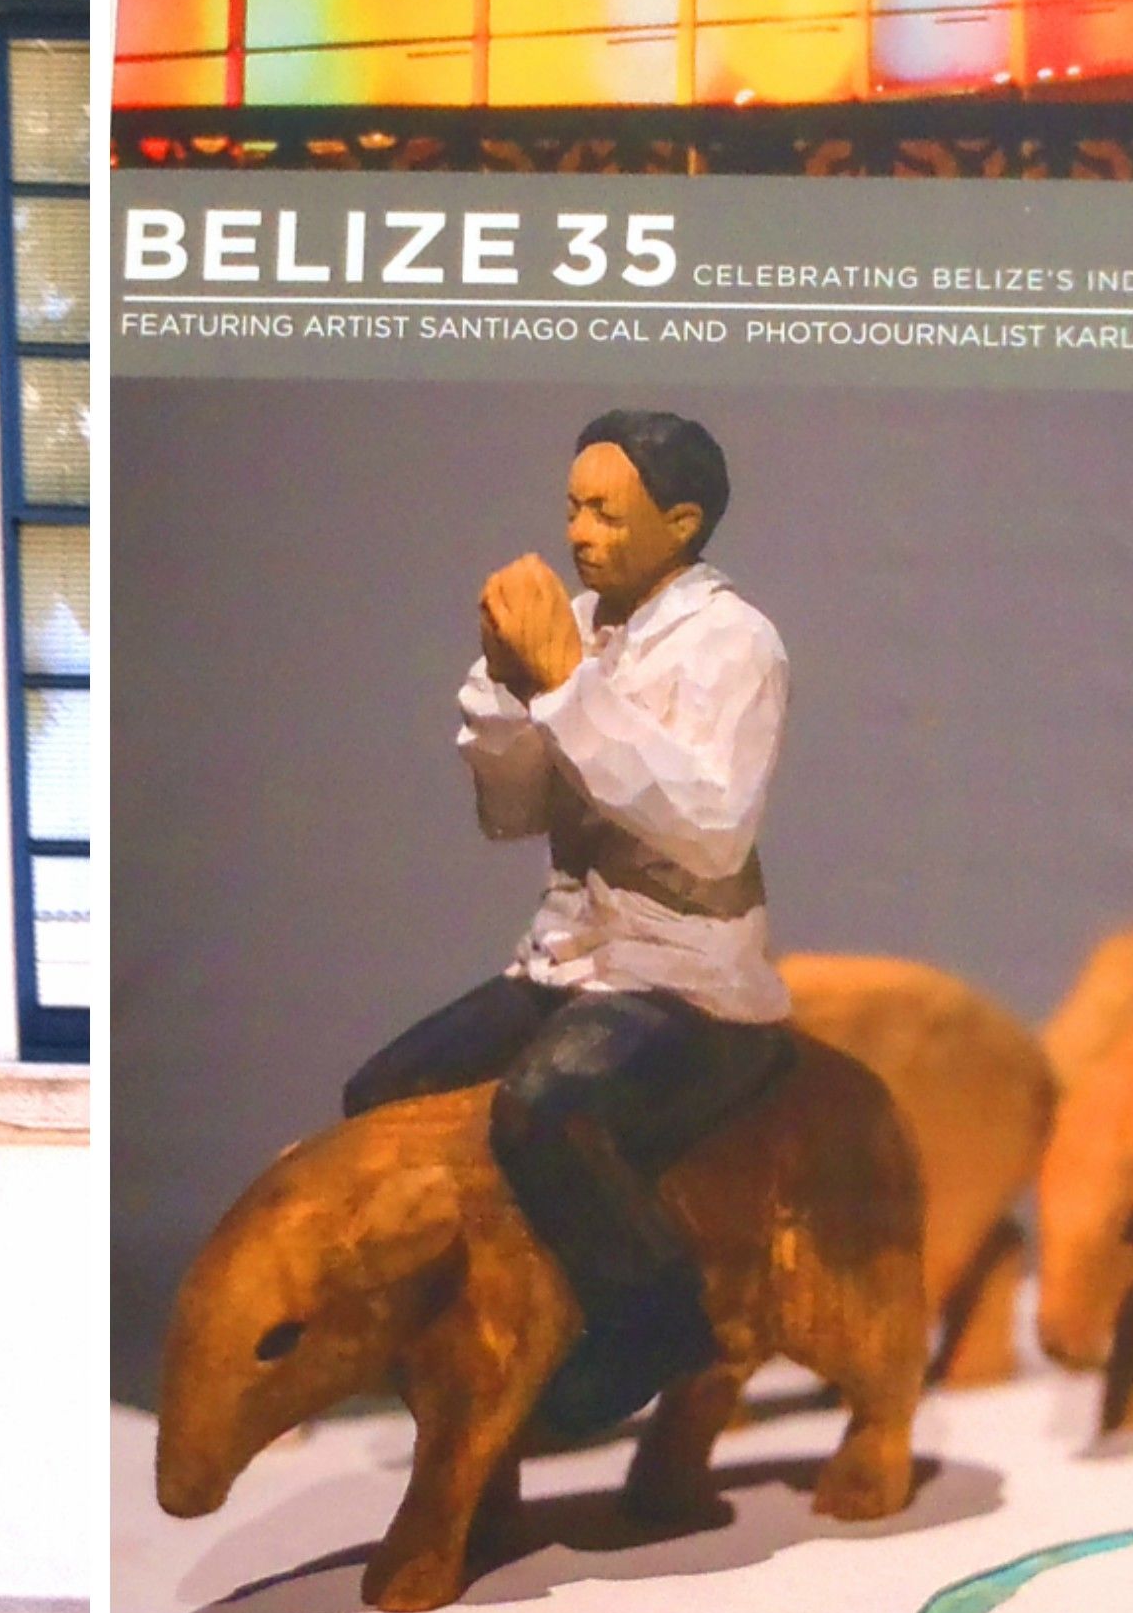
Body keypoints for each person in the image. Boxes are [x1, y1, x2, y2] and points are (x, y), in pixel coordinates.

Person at [341, 409, 795, 1445]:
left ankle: (653, 1319)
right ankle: (452, 1313)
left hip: (684, 975)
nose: (579, 533)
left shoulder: (736, 644)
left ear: (680, 524)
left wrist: (566, 690)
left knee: (547, 1109)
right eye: (571, 508)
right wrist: (507, 690)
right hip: (565, 961)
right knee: (381, 1096)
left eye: (606, 510)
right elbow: (509, 816)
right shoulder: (577, 627)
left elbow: (714, 832)